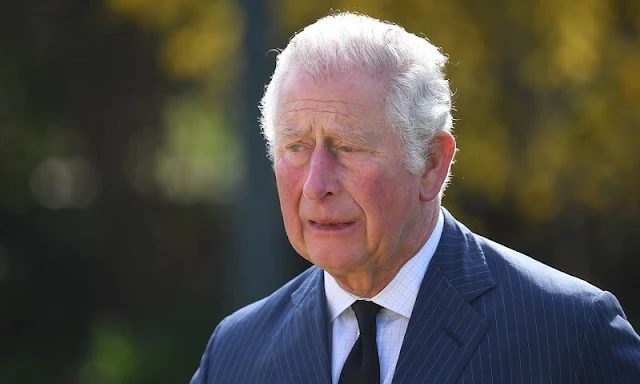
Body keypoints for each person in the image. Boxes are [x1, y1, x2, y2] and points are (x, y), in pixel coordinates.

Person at [190, 12, 640, 384]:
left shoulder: (571, 333)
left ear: (431, 163)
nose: (315, 184)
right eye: (296, 147)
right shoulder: (234, 353)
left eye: (349, 147)